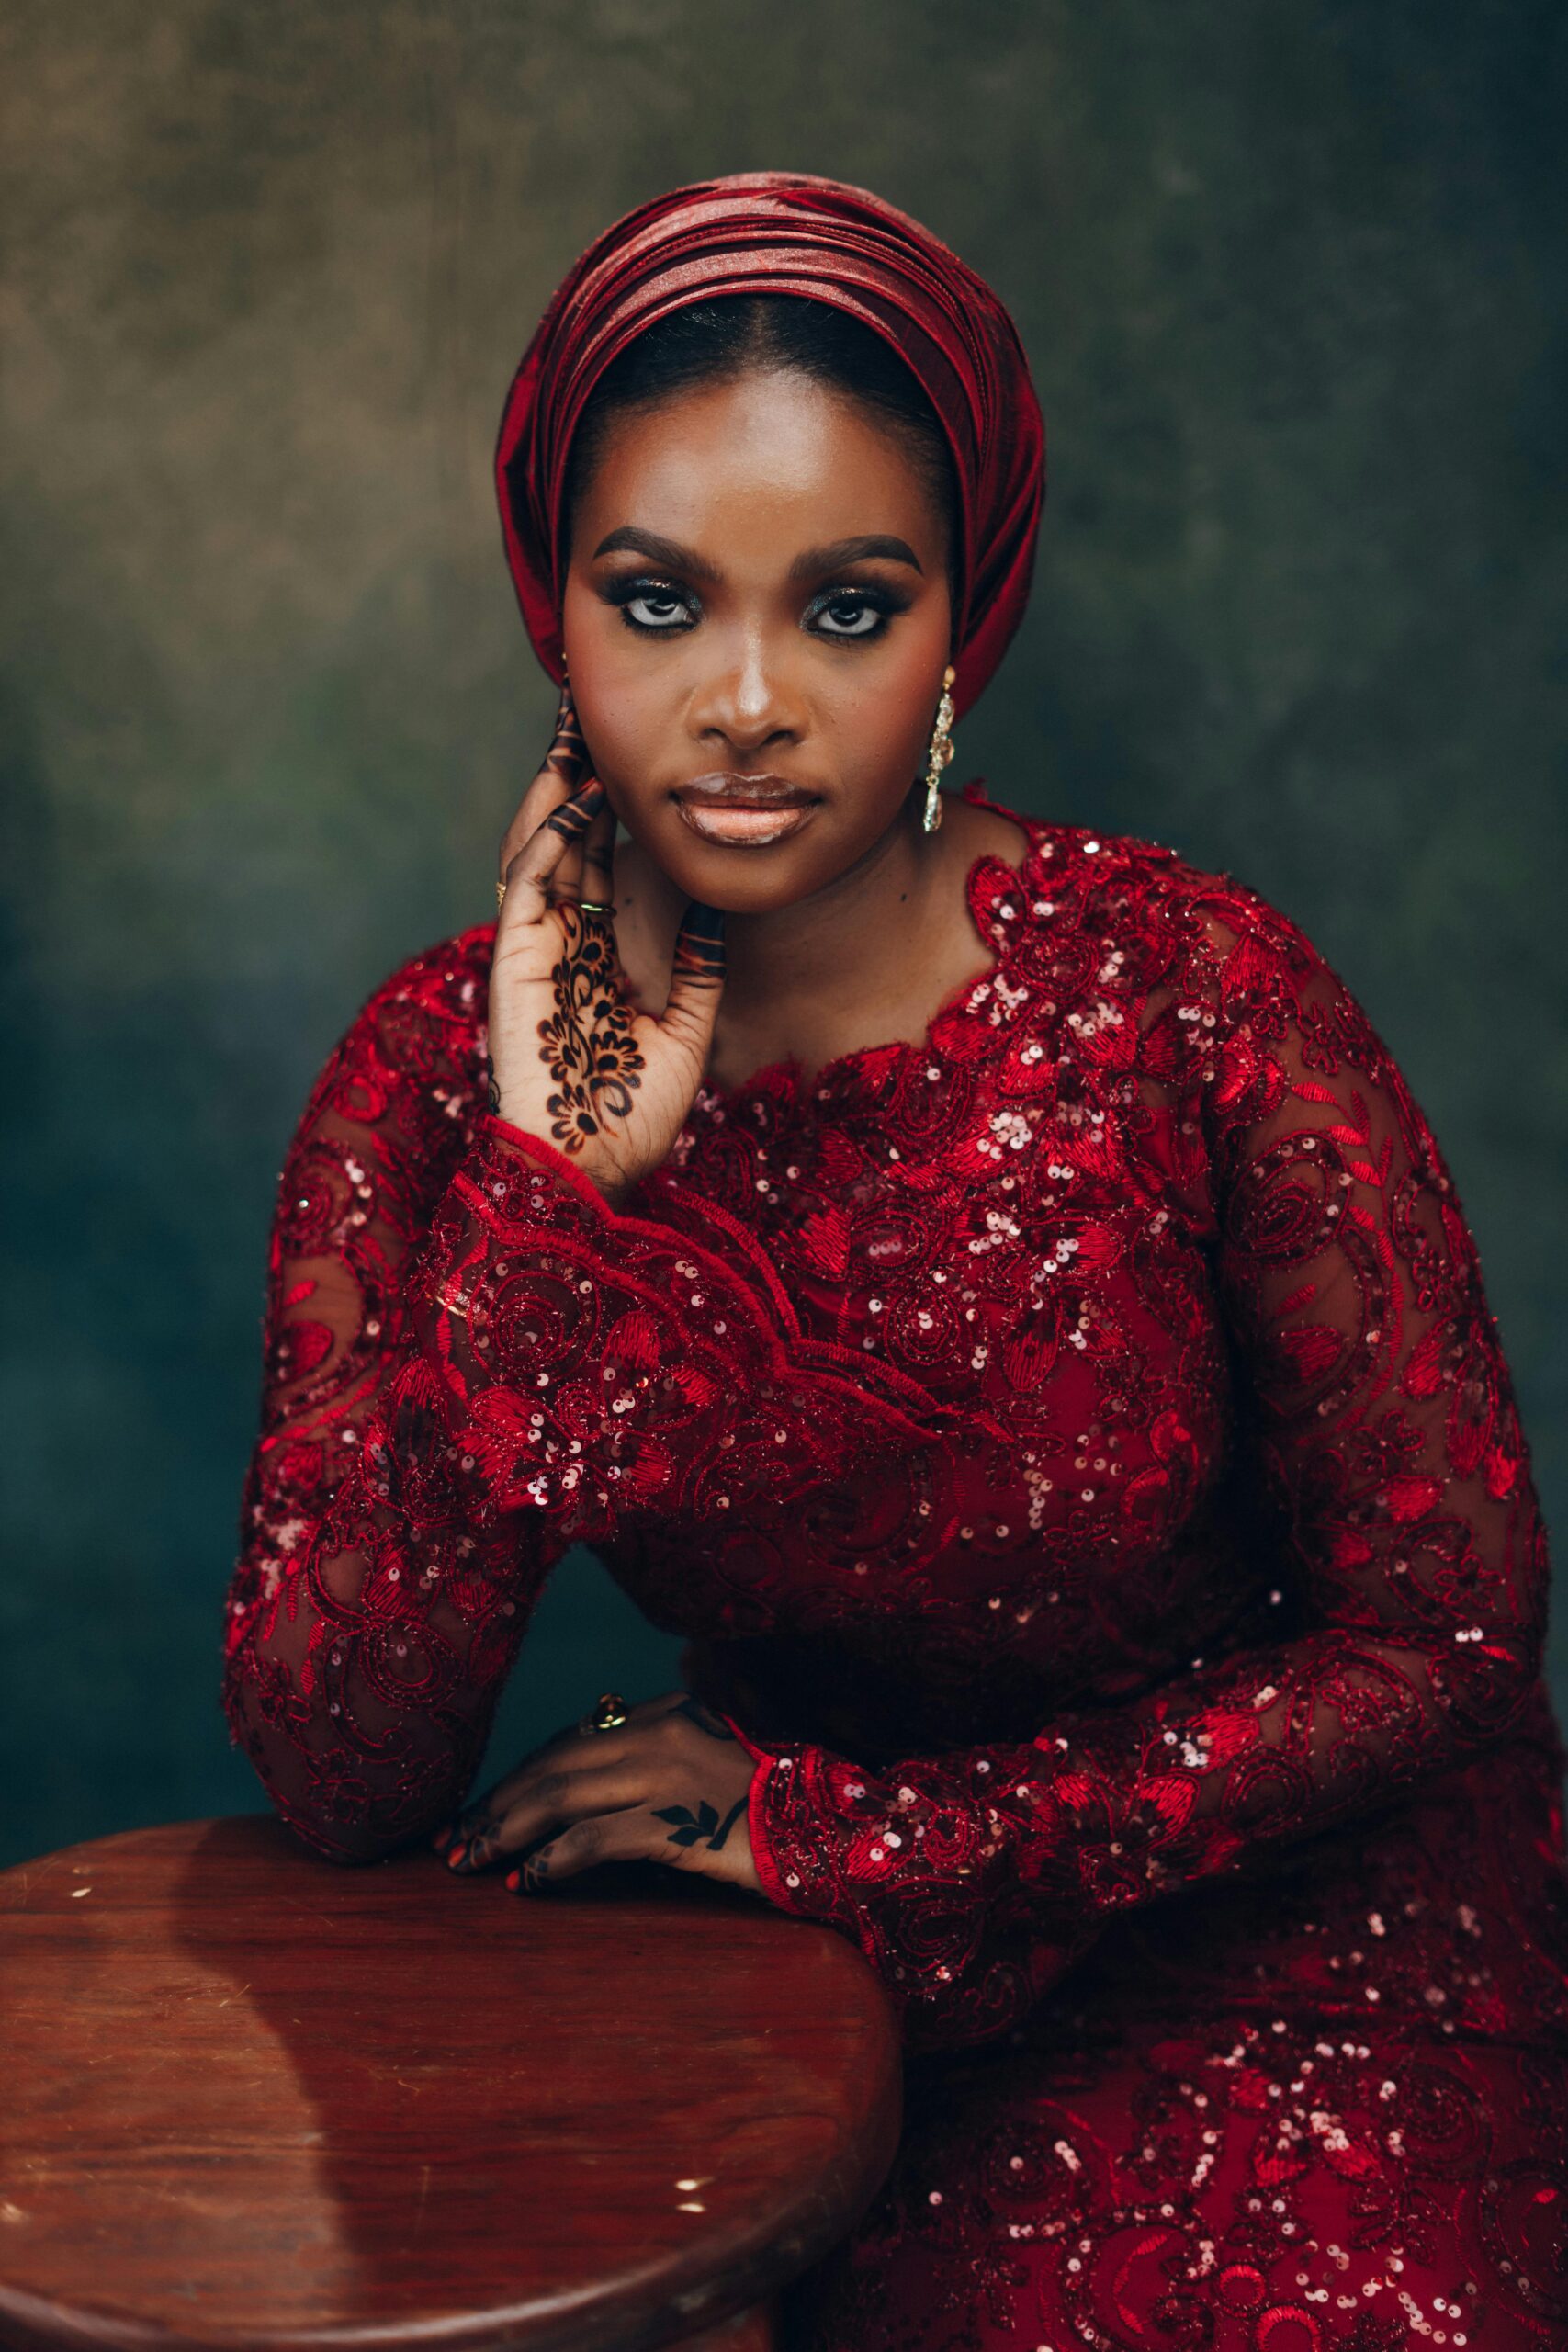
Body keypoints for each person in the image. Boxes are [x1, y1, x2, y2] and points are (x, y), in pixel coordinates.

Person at [222, 173, 1568, 2347]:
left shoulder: (1187, 995)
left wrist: (872, 1835)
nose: (744, 700)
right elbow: (341, 1765)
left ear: (964, 621)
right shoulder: (430, 1075)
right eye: (655, 602)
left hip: (1286, 1946)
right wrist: (560, 1177)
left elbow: (1448, 1634)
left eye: (844, 608)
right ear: (548, 611)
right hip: (777, 1990)